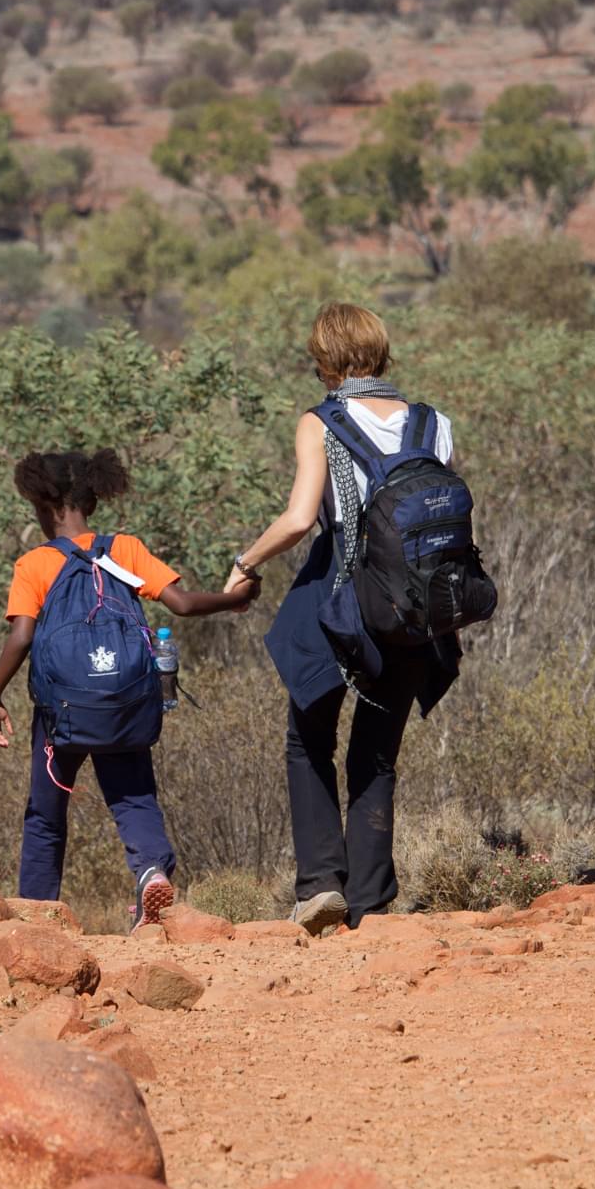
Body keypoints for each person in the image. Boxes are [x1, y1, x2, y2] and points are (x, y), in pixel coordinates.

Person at [221, 303, 463, 935]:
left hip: (340, 594)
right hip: (414, 602)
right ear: (381, 354)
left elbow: (303, 518)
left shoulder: (320, 421)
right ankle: (373, 900)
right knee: (376, 754)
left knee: (308, 737)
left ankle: (321, 884)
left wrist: (246, 561)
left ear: (325, 362)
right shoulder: (433, 424)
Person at [0, 449, 257, 930]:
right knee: (133, 798)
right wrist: (235, 599)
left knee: (45, 814)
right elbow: (183, 604)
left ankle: (36, 916)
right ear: (90, 500)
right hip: (125, 705)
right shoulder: (124, 549)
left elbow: (22, 635)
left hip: (62, 714)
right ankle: (151, 873)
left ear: (46, 507)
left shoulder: (35, 563)